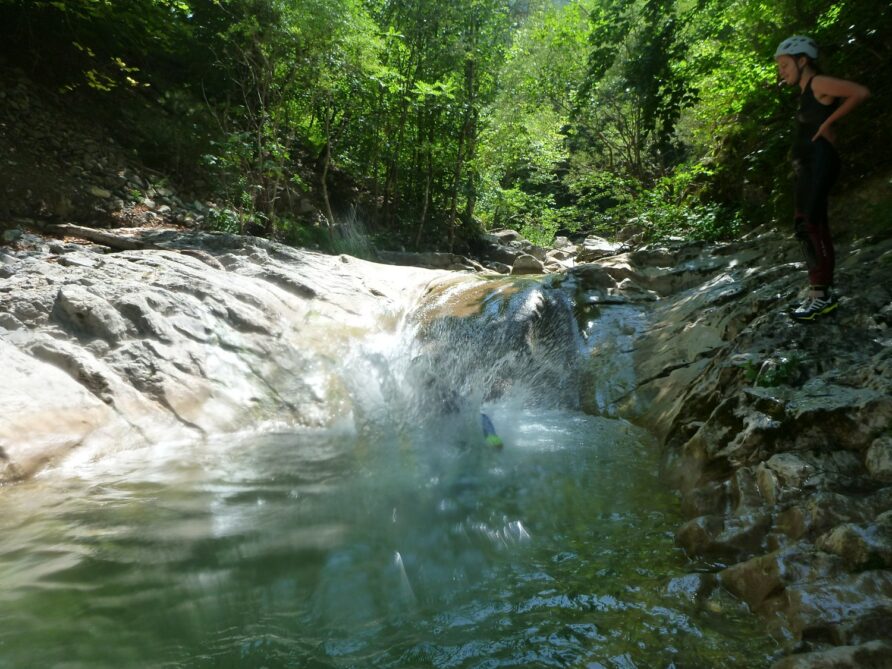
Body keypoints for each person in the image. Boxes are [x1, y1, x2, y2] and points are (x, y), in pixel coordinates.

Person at [774, 35, 870, 321]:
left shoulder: (818, 83)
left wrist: (829, 122)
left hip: (820, 162)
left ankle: (822, 297)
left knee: (811, 225)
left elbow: (860, 92)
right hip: (808, 167)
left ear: (803, 60)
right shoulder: (805, 91)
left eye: (784, 64)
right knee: (805, 226)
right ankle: (818, 292)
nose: (781, 70)